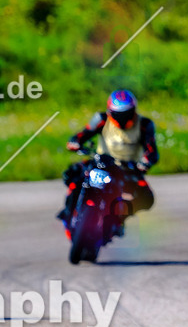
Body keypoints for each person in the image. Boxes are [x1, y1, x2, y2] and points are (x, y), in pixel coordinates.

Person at [58, 89, 159, 230]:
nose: (122, 119)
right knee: (73, 175)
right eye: (118, 115)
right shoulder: (101, 119)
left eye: (126, 114)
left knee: (147, 199)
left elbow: (152, 151)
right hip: (100, 163)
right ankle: (69, 212)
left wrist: (146, 162)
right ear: (110, 112)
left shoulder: (144, 124)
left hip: (128, 169)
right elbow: (81, 135)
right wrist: (75, 142)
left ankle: (118, 218)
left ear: (133, 111)